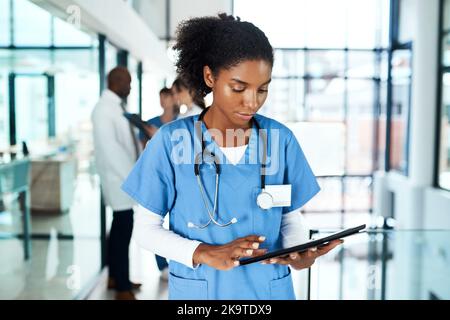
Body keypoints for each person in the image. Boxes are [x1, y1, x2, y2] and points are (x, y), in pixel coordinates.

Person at [121, 14, 342, 300]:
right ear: (210, 76)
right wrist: (204, 252)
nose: (252, 101)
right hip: (201, 294)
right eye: (239, 88)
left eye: (262, 89)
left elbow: (288, 220)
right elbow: (145, 230)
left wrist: (299, 253)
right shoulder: (170, 141)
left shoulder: (279, 140)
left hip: (268, 293)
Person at [91, 67, 142, 300]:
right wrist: (134, 180)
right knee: (123, 232)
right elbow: (111, 151)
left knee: (119, 231)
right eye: (128, 82)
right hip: (118, 179)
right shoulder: (103, 110)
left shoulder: (116, 107)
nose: (130, 87)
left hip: (122, 178)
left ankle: (115, 276)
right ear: (116, 81)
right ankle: (122, 287)